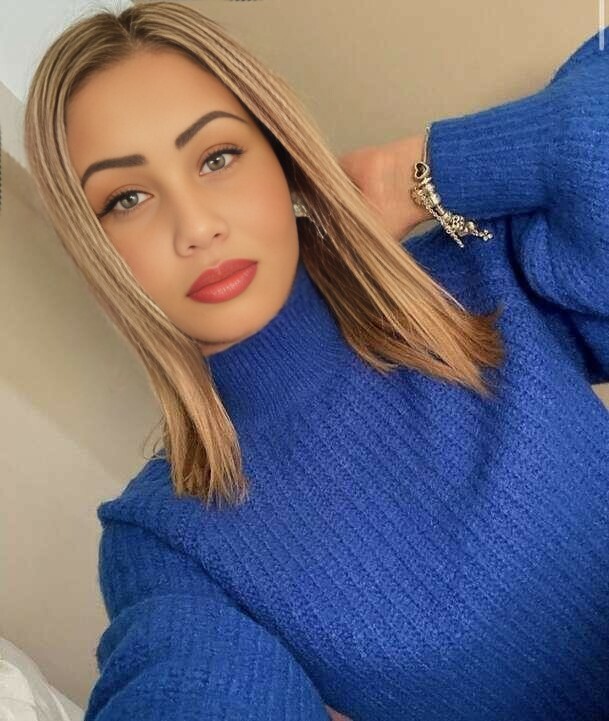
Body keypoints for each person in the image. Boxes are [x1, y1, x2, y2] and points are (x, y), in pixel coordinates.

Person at [23, 2, 609, 719]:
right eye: (127, 198)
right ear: (96, 250)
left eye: (217, 157)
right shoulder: (164, 540)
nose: (196, 226)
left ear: (283, 156)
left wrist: (416, 172)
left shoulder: (474, 278)